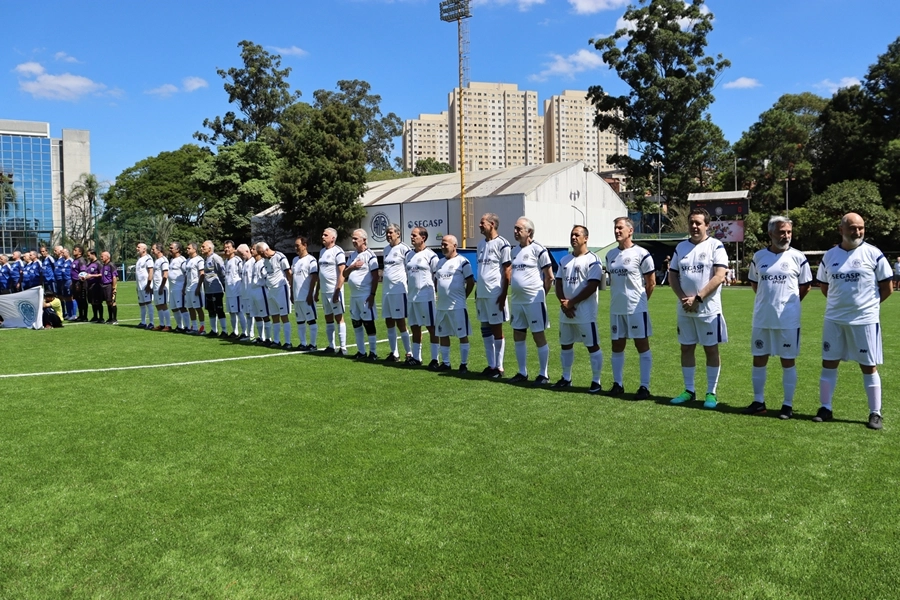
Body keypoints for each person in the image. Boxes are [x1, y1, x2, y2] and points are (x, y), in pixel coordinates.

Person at [815, 213, 892, 430]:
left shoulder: (873, 254)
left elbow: (887, 288)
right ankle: (825, 408)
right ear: (841, 230)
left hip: (864, 320)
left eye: (861, 228)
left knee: (868, 366)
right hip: (834, 319)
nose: (857, 232)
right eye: (852, 228)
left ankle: (875, 413)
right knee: (828, 363)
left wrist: (868, 306)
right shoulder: (829, 256)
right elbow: (824, 286)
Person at [745, 216, 812, 419]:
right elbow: (755, 284)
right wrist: (768, 301)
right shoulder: (758, 257)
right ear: (770, 234)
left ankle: (787, 405)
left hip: (788, 320)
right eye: (782, 232)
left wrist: (788, 304)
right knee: (759, 359)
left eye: (789, 232)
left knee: (788, 361)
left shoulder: (799, 257)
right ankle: (758, 402)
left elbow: (805, 286)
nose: (786, 236)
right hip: (762, 318)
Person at [669, 208, 729, 409]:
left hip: (708, 309)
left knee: (711, 349)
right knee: (686, 347)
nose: (694, 226)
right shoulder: (681, 247)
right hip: (685, 309)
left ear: (707, 226)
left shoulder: (716, 246)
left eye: (698, 223)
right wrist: (684, 299)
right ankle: (689, 390)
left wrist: (698, 298)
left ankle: (711, 393)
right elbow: (672, 276)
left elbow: (719, 276)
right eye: (692, 223)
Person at [605, 217, 655, 400]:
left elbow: (651, 283)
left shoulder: (642, 253)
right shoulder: (610, 255)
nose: (617, 231)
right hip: (616, 309)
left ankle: (644, 386)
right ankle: (618, 384)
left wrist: (640, 302)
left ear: (630, 230)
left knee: (641, 345)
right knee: (617, 346)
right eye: (615, 228)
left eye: (620, 228)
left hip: (636, 309)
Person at [554, 225, 604, 393]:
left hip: (585, 312)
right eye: (572, 235)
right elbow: (558, 283)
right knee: (565, 344)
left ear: (586, 238)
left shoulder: (593, 259)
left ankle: (596, 381)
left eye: (577, 235)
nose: (573, 237)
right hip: (566, 311)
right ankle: (566, 377)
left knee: (592, 346)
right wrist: (564, 304)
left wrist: (572, 302)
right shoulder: (564, 260)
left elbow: (592, 285)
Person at [507, 217, 553, 386]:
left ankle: (543, 374)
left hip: (534, 301)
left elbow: (549, 277)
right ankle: (522, 372)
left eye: (519, 229)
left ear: (529, 232)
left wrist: (541, 296)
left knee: (538, 336)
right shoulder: (514, 251)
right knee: (518, 335)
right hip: (517, 301)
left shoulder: (538, 249)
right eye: (515, 228)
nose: (515, 231)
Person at [476, 213, 511, 378]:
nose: (479, 225)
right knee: (485, 329)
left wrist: (503, 295)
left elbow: (507, 271)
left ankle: (499, 367)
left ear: (491, 224)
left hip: (495, 294)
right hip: (482, 294)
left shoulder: (503, 244)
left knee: (497, 329)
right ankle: (491, 365)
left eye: (482, 223)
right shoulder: (480, 245)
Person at [434, 234, 474, 371]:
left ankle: (463, 365)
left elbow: (470, 281)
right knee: (443, 334)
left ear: (455, 246)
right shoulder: (440, 262)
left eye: (446, 244)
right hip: (442, 307)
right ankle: (446, 363)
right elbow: (436, 280)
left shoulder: (463, 262)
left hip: (457, 306)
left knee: (462, 335)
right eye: (442, 244)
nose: (443, 247)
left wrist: (464, 296)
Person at [405, 227, 440, 368]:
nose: (412, 238)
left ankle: (434, 359)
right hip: (411, 297)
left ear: (423, 237)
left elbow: (437, 276)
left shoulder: (431, 256)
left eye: (414, 235)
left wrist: (437, 293)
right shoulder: (408, 255)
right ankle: (416, 358)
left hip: (426, 297)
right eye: (411, 235)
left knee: (432, 328)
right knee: (414, 327)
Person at [344, 229, 380, 360]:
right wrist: (352, 266)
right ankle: (361, 351)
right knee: (356, 323)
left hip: (365, 295)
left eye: (356, 239)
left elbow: (376, 277)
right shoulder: (352, 256)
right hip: (353, 296)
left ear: (364, 240)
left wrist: (372, 294)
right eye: (352, 239)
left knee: (368, 323)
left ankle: (373, 353)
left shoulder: (370, 255)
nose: (353, 241)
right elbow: (344, 274)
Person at [381, 224, 412, 362]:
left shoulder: (404, 249)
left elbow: (410, 269)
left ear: (398, 234)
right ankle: (394, 353)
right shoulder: (386, 249)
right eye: (387, 232)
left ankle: (409, 352)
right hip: (386, 291)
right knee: (389, 321)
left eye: (391, 232)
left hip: (399, 291)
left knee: (400, 321)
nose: (388, 235)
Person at [318, 227, 348, 354]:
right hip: (324, 291)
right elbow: (321, 273)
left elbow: (342, 273)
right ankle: (331, 346)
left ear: (333, 238)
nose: (322, 237)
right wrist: (316, 291)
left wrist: (337, 290)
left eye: (325, 235)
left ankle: (343, 347)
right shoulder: (322, 252)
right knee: (328, 318)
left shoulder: (338, 252)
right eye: (323, 234)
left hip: (334, 291)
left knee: (339, 318)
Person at [259, 241, 293, 349]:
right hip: (271, 290)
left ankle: (288, 342)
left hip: (281, 289)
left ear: (266, 249)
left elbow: (288, 273)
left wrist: (291, 287)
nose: (261, 255)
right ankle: (276, 340)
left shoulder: (280, 257)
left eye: (261, 253)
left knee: (284, 316)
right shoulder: (265, 261)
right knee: (274, 316)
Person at [291, 236, 319, 351]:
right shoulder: (295, 260)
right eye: (295, 246)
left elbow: (314, 278)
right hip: (297, 297)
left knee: (311, 320)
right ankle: (303, 343)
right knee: (300, 321)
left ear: (305, 245)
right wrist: (291, 294)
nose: (296, 248)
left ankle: (313, 344)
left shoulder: (311, 260)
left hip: (306, 297)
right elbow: (293, 279)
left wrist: (310, 294)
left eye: (298, 245)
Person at [201, 240, 227, 337]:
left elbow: (222, 272)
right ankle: (214, 330)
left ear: (210, 248)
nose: (201, 248)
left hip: (216, 289)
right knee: (210, 310)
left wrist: (224, 286)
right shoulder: (206, 259)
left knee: (219, 309)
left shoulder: (216, 258)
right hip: (208, 289)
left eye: (203, 247)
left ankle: (224, 331)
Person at [223, 240, 245, 339]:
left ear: (233, 249)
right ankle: (234, 332)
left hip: (236, 291)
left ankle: (245, 332)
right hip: (228, 291)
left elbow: (242, 274)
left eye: (228, 247)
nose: (226, 249)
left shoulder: (237, 260)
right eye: (225, 247)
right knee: (231, 312)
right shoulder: (226, 261)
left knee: (239, 311)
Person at [184, 242, 206, 334]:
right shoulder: (187, 260)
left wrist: (198, 287)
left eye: (189, 248)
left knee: (198, 308)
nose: (187, 250)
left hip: (195, 287)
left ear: (194, 249)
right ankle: (194, 327)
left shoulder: (199, 260)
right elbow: (186, 275)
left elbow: (202, 274)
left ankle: (202, 327)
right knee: (190, 308)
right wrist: (184, 287)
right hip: (188, 288)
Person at [168, 242, 188, 333]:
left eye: (171, 248)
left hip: (179, 287)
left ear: (178, 249)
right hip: (171, 288)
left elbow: (186, 273)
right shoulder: (172, 260)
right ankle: (180, 326)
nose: (170, 249)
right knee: (174, 308)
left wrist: (184, 287)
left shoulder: (182, 260)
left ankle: (187, 326)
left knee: (182, 307)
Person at [150, 243, 171, 331]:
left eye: (153, 249)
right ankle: (162, 324)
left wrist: (162, 286)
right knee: (158, 305)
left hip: (162, 287)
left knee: (163, 305)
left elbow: (165, 274)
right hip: (156, 287)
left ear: (159, 250)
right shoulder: (157, 260)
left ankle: (168, 325)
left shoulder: (163, 260)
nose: (152, 250)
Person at [238, 244, 257, 342]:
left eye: (242, 254)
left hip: (250, 292)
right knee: (247, 314)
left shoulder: (253, 262)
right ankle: (249, 334)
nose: (241, 256)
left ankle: (252, 334)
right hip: (244, 292)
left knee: (252, 313)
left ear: (247, 251)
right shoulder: (244, 263)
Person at [135, 243, 155, 328]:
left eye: (139, 247)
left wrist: (149, 284)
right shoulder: (139, 259)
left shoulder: (148, 259)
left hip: (146, 285)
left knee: (148, 303)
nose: (137, 248)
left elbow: (151, 271)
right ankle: (143, 322)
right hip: (139, 286)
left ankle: (151, 323)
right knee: (141, 304)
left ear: (144, 249)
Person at [84, 249, 104, 322]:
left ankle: (101, 318)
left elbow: (101, 274)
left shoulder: (98, 263)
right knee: (92, 302)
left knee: (98, 302)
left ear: (93, 254)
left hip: (97, 285)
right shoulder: (89, 264)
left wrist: (92, 276)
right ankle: (95, 316)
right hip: (89, 285)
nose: (88, 257)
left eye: (89, 255)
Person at [99, 251, 119, 324]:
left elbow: (114, 277)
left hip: (109, 285)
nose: (101, 258)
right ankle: (110, 318)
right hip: (103, 285)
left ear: (107, 257)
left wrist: (114, 288)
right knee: (108, 302)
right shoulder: (104, 265)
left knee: (112, 301)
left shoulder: (111, 265)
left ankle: (114, 319)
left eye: (102, 256)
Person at [70, 245, 89, 321]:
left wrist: (79, 283)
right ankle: (80, 315)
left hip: (80, 283)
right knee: (78, 299)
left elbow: (83, 273)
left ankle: (85, 316)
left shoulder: (81, 260)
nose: (73, 251)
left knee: (83, 299)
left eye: (75, 250)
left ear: (80, 252)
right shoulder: (75, 260)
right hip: (74, 282)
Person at [55, 247, 74, 319]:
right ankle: (69, 314)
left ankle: (73, 314)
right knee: (66, 298)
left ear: (67, 253)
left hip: (69, 280)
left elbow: (74, 271)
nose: (62, 254)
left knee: (71, 297)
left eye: (63, 252)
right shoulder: (64, 261)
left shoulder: (70, 260)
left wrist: (72, 280)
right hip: (64, 281)